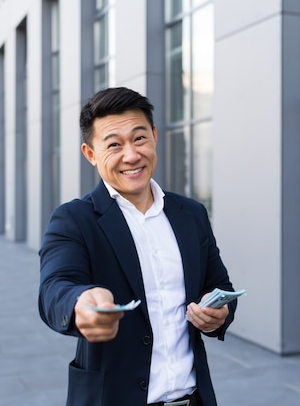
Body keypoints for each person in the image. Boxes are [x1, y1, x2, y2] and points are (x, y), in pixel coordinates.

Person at [38, 87, 238, 406]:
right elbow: (55, 287)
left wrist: (219, 313)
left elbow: (219, 285)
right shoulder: (74, 219)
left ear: (155, 136)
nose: (131, 155)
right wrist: (80, 302)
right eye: (114, 144)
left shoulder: (191, 214)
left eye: (139, 138)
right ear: (90, 154)